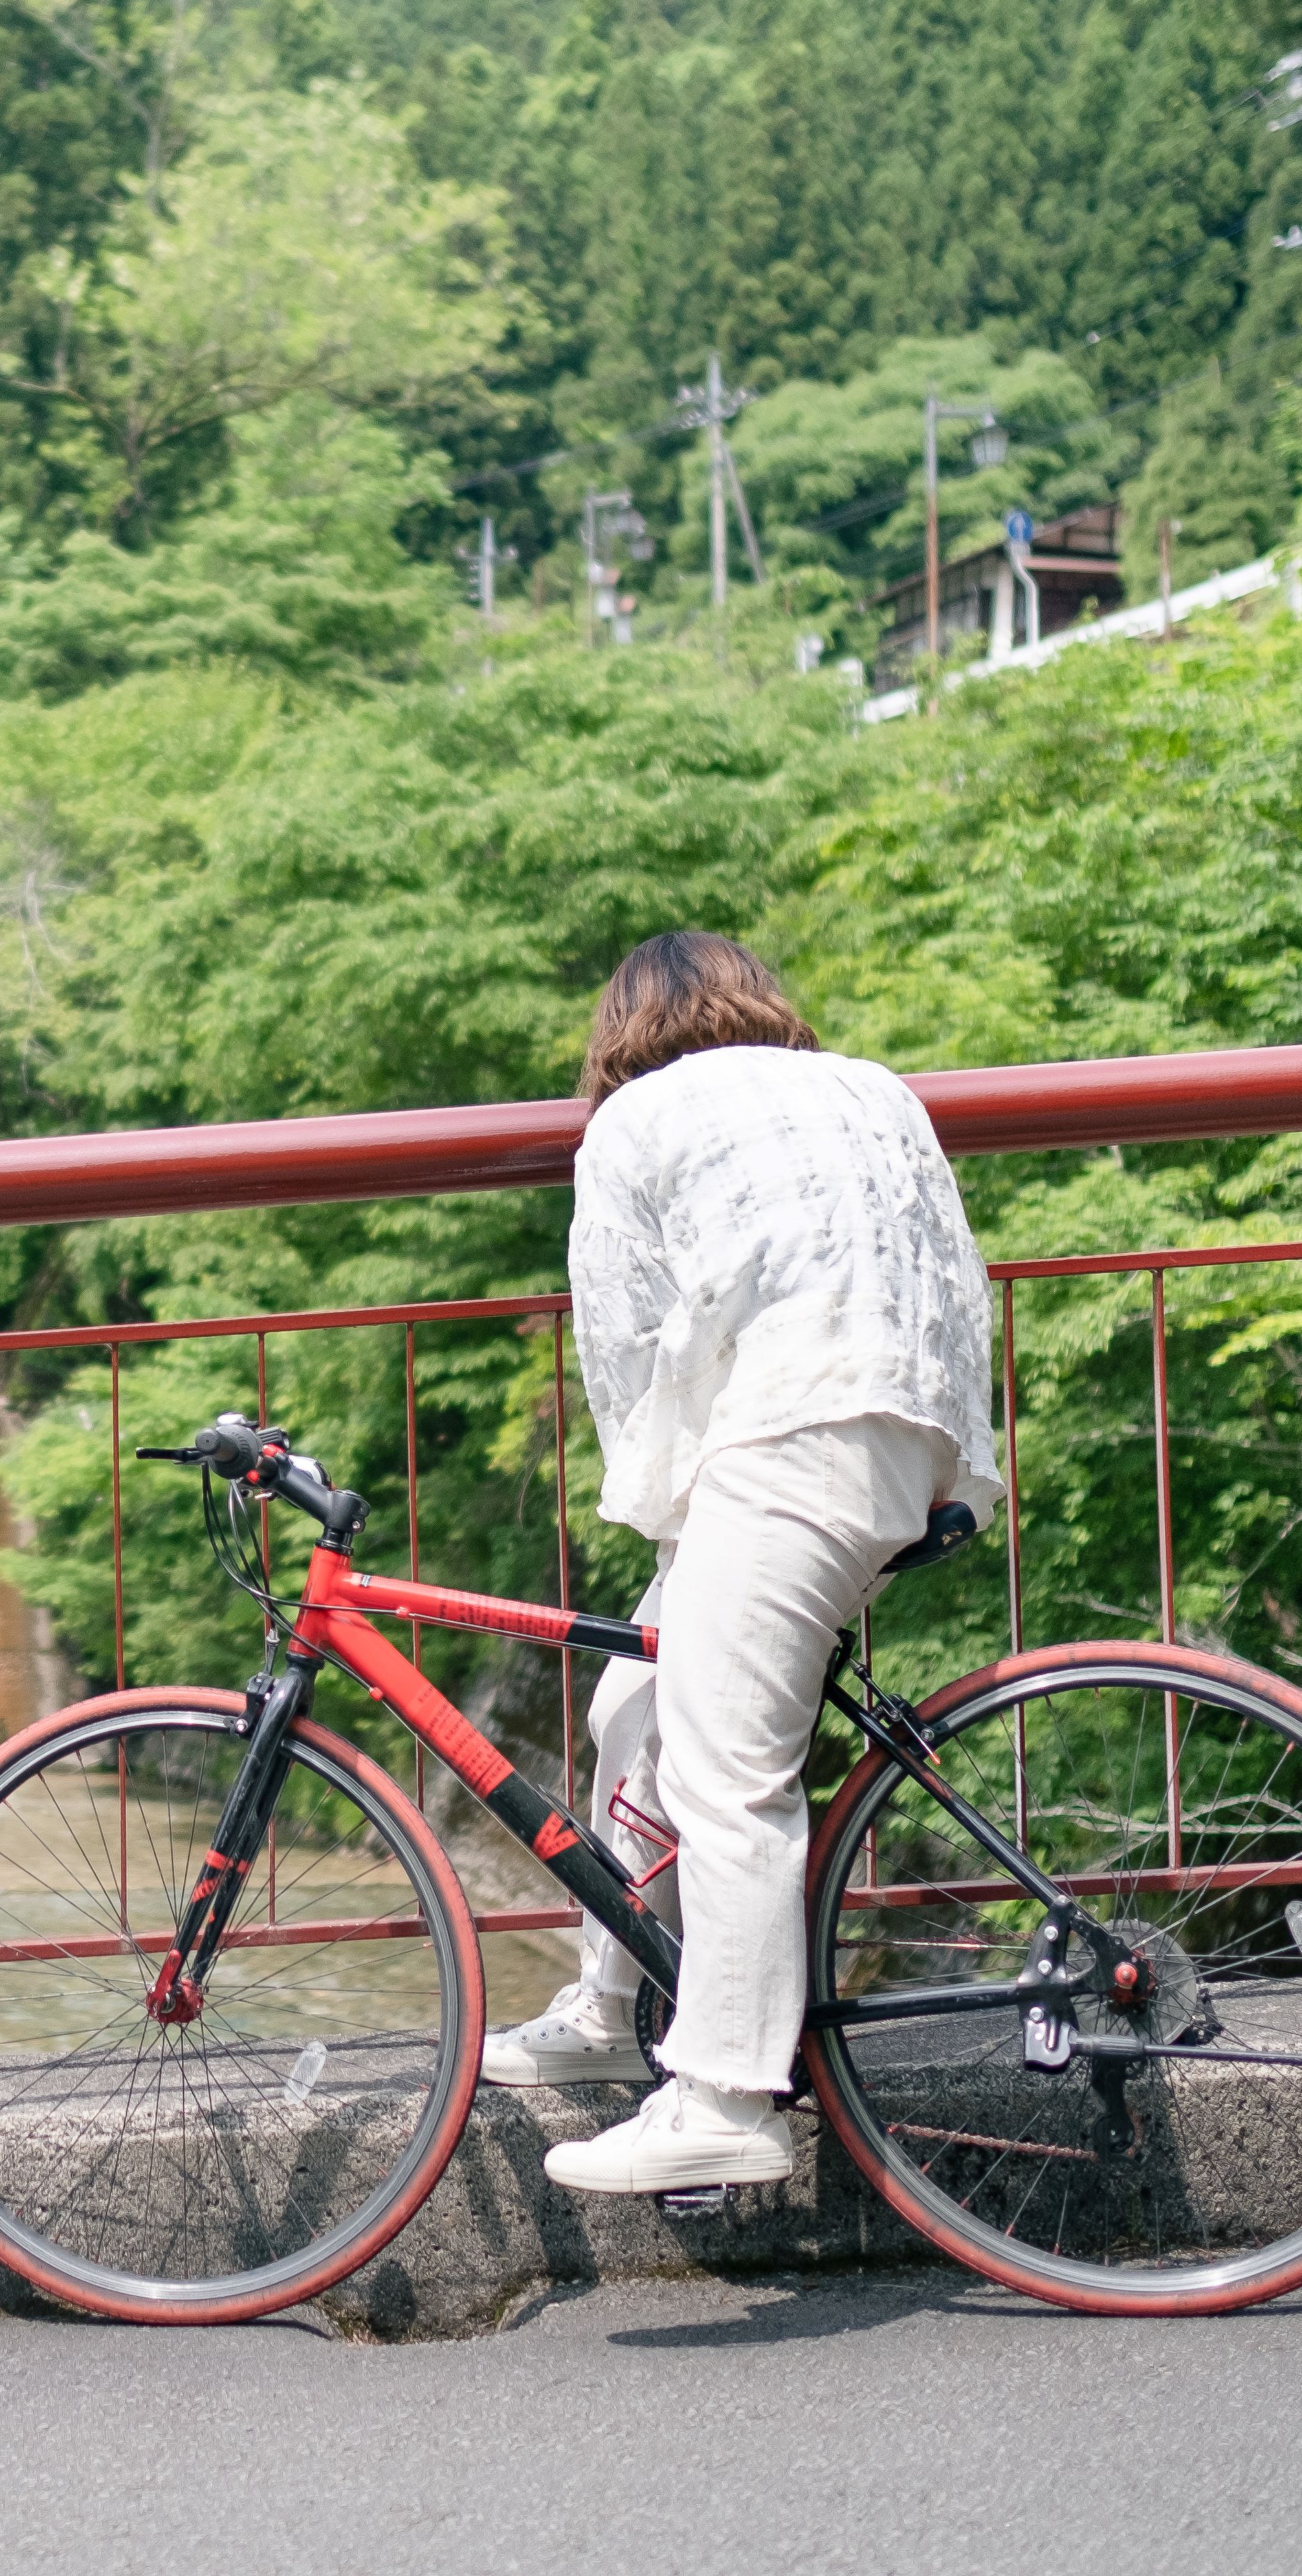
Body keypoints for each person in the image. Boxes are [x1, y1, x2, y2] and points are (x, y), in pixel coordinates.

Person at [489, 931, 998, 2197]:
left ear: (617, 1036)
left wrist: (664, 1513)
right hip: (912, 1435)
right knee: (633, 1700)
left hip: (791, 1438)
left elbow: (626, 1342)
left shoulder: (633, 1123)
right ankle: (613, 2004)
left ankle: (723, 2093)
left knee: (728, 1775)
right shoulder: (877, 1089)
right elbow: (954, 1278)